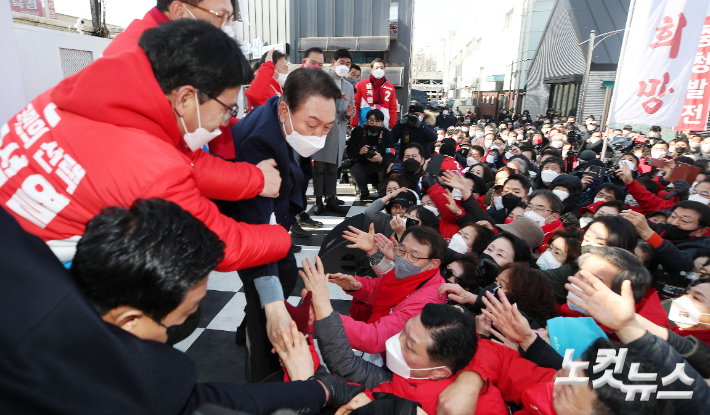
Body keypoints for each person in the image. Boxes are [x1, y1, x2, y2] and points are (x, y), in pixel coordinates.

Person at [0, 205, 362, 415]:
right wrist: (312, 388)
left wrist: (316, 391)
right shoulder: (125, 389)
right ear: (129, 320)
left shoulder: (18, 254)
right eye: (187, 311)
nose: (193, 318)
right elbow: (206, 403)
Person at [0, 20, 287, 272]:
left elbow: (190, 164)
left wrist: (255, 179)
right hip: (35, 277)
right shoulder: (150, 166)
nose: (226, 122)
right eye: (227, 109)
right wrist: (282, 238)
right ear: (185, 98)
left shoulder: (81, 94)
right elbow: (220, 244)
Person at [224, 68, 342, 382]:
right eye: (312, 125)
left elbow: (294, 176)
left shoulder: (288, 123)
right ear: (285, 109)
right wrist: (274, 305)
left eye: (327, 127)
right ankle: (264, 379)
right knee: (266, 297)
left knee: (285, 272)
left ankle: (254, 321)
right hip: (240, 222)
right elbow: (257, 228)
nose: (318, 135)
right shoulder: (259, 143)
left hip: (272, 215)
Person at [333, 226, 447, 355]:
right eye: (402, 250)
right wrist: (357, 286)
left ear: (433, 264)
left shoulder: (426, 302)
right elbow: (379, 288)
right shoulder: (414, 275)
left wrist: (327, 319)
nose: (403, 259)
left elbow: (375, 337)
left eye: (414, 256)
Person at [102, 0, 235, 57]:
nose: (226, 27)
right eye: (221, 16)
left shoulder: (172, 43)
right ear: (179, 11)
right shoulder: (143, 53)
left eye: (230, 18)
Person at [620, 202, 710, 286]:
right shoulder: (659, 229)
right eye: (673, 217)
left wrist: (648, 234)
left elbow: (682, 263)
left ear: (701, 231)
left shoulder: (703, 246)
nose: (674, 223)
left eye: (684, 221)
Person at [312, 49, 356, 216]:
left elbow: (347, 110)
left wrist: (348, 114)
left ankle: (331, 197)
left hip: (339, 130)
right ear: (333, 63)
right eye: (341, 63)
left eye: (348, 64)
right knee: (320, 166)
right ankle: (318, 199)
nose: (344, 66)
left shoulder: (349, 86)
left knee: (333, 167)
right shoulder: (322, 79)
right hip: (322, 129)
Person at [346, 109, 397, 201]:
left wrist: (381, 158)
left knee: (390, 170)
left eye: (377, 121)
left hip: (381, 163)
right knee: (355, 170)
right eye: (371, 120)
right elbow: (349, 149)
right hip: (363, 162)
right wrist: (359, 151)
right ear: (366, 121)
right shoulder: (359, 131)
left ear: (382, 123)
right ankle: (363, 192)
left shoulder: (387, 134)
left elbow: (391, 155)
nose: (374, 123)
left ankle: (382, 193)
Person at [351, 58, 398, 129]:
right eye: (376, 68)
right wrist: (354, 124)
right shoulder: (361, 84)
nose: (379, 70)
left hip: (383, 124)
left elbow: (393, 108)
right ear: (371, 70)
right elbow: (355, 105)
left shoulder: (390, 87)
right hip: (364, 124)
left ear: (385, 70)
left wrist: (392, 126)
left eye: (381, 68)